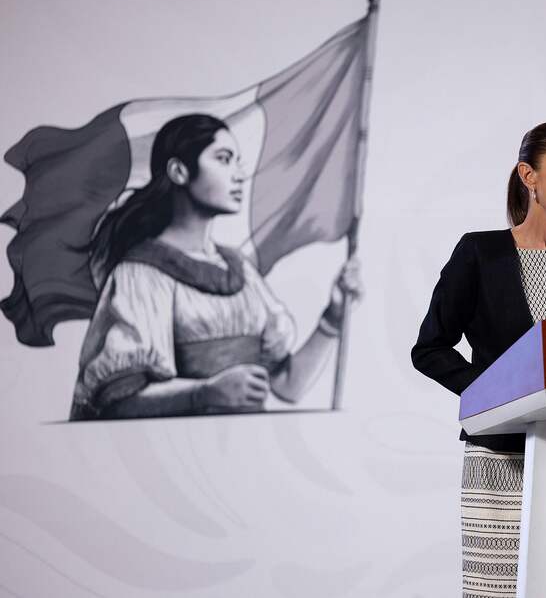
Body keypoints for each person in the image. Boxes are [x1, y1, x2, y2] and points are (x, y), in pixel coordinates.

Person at [411, 121, 546, 596]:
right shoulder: (480, 254)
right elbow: (430, 348)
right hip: (503, 460)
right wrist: (495, 390)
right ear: (528, 176)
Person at [70, 113, 361, 420]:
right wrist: (204, 392)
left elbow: (289, 386)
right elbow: (118, 403)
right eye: (223, 159)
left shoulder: (241, 271)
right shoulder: (140, 274)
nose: (238, 175)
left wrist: (334, 316)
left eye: (237, 161)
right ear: (179, 171)